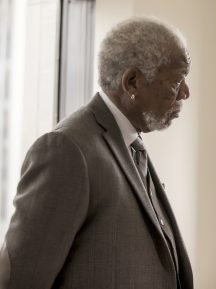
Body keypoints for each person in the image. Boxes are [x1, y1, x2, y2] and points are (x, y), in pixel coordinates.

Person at [0, 17, 193, 289]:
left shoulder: (130, 145)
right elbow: (20, 281)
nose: (185, 93)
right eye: (176, 82)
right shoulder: (66, 151)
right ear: (132, 82)